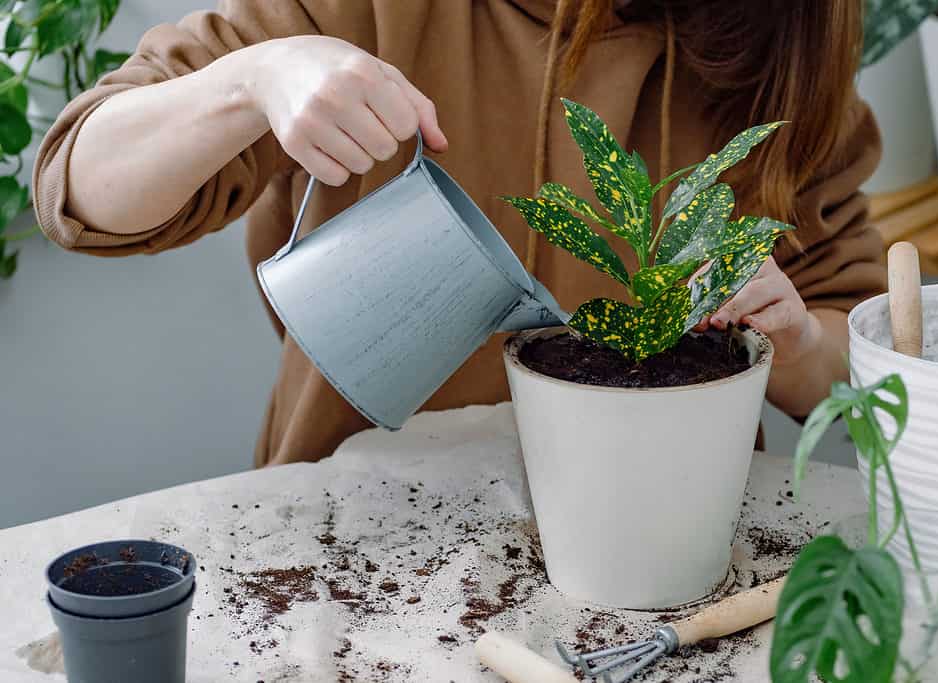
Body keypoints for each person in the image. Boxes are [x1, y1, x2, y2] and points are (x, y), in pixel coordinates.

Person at [34, 0, 884, 467]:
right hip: (359, 517)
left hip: (667, 537)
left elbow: (855, 361)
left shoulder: (787, 52)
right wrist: (257, 78)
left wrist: (799, 339)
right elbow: (80, 188)